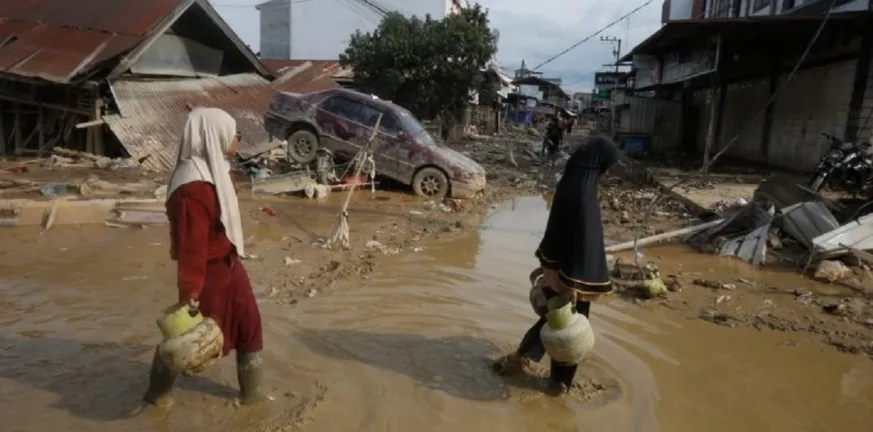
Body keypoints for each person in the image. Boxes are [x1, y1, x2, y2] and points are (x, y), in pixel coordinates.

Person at [143, 108, 271, 406]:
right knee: (189, 342)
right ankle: (155, 396)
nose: (237, 138)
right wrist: (191, 292)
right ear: (212, 135)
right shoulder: (192, 188)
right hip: (208, 272)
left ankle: (253, 395)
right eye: (233, 132)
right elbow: (191, 247)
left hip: (230, 264)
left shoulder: (215, 169)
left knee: (249, 324)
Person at [493, 136, 619, 395]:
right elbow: (581, 241)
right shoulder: (583, 195)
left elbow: (559, 234)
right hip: (572, 281)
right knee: (568, 333)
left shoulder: (571, 185)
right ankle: (557, 386)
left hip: (559, 273)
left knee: (555, 324)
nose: (607, 174)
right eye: (607, 167)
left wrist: (551, 271)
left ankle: (519, 360)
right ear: (597, 165)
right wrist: (571, 286)